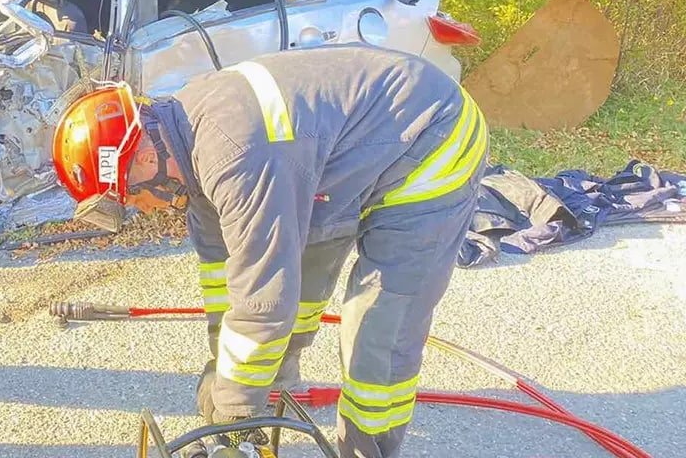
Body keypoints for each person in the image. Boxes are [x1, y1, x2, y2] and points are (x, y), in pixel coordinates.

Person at [51, 44, 489, 457]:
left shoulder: (234, 156)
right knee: (302, 274)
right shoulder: (185, 145)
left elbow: (263, 301)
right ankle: (273, 390)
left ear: (146, 160)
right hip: (343, 154)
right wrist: (223, 369)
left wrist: (232, 411)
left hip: (431, 137)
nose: (141, 208)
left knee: (380, 329)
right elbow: (226, 278)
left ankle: (366, 448)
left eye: (131, 196)